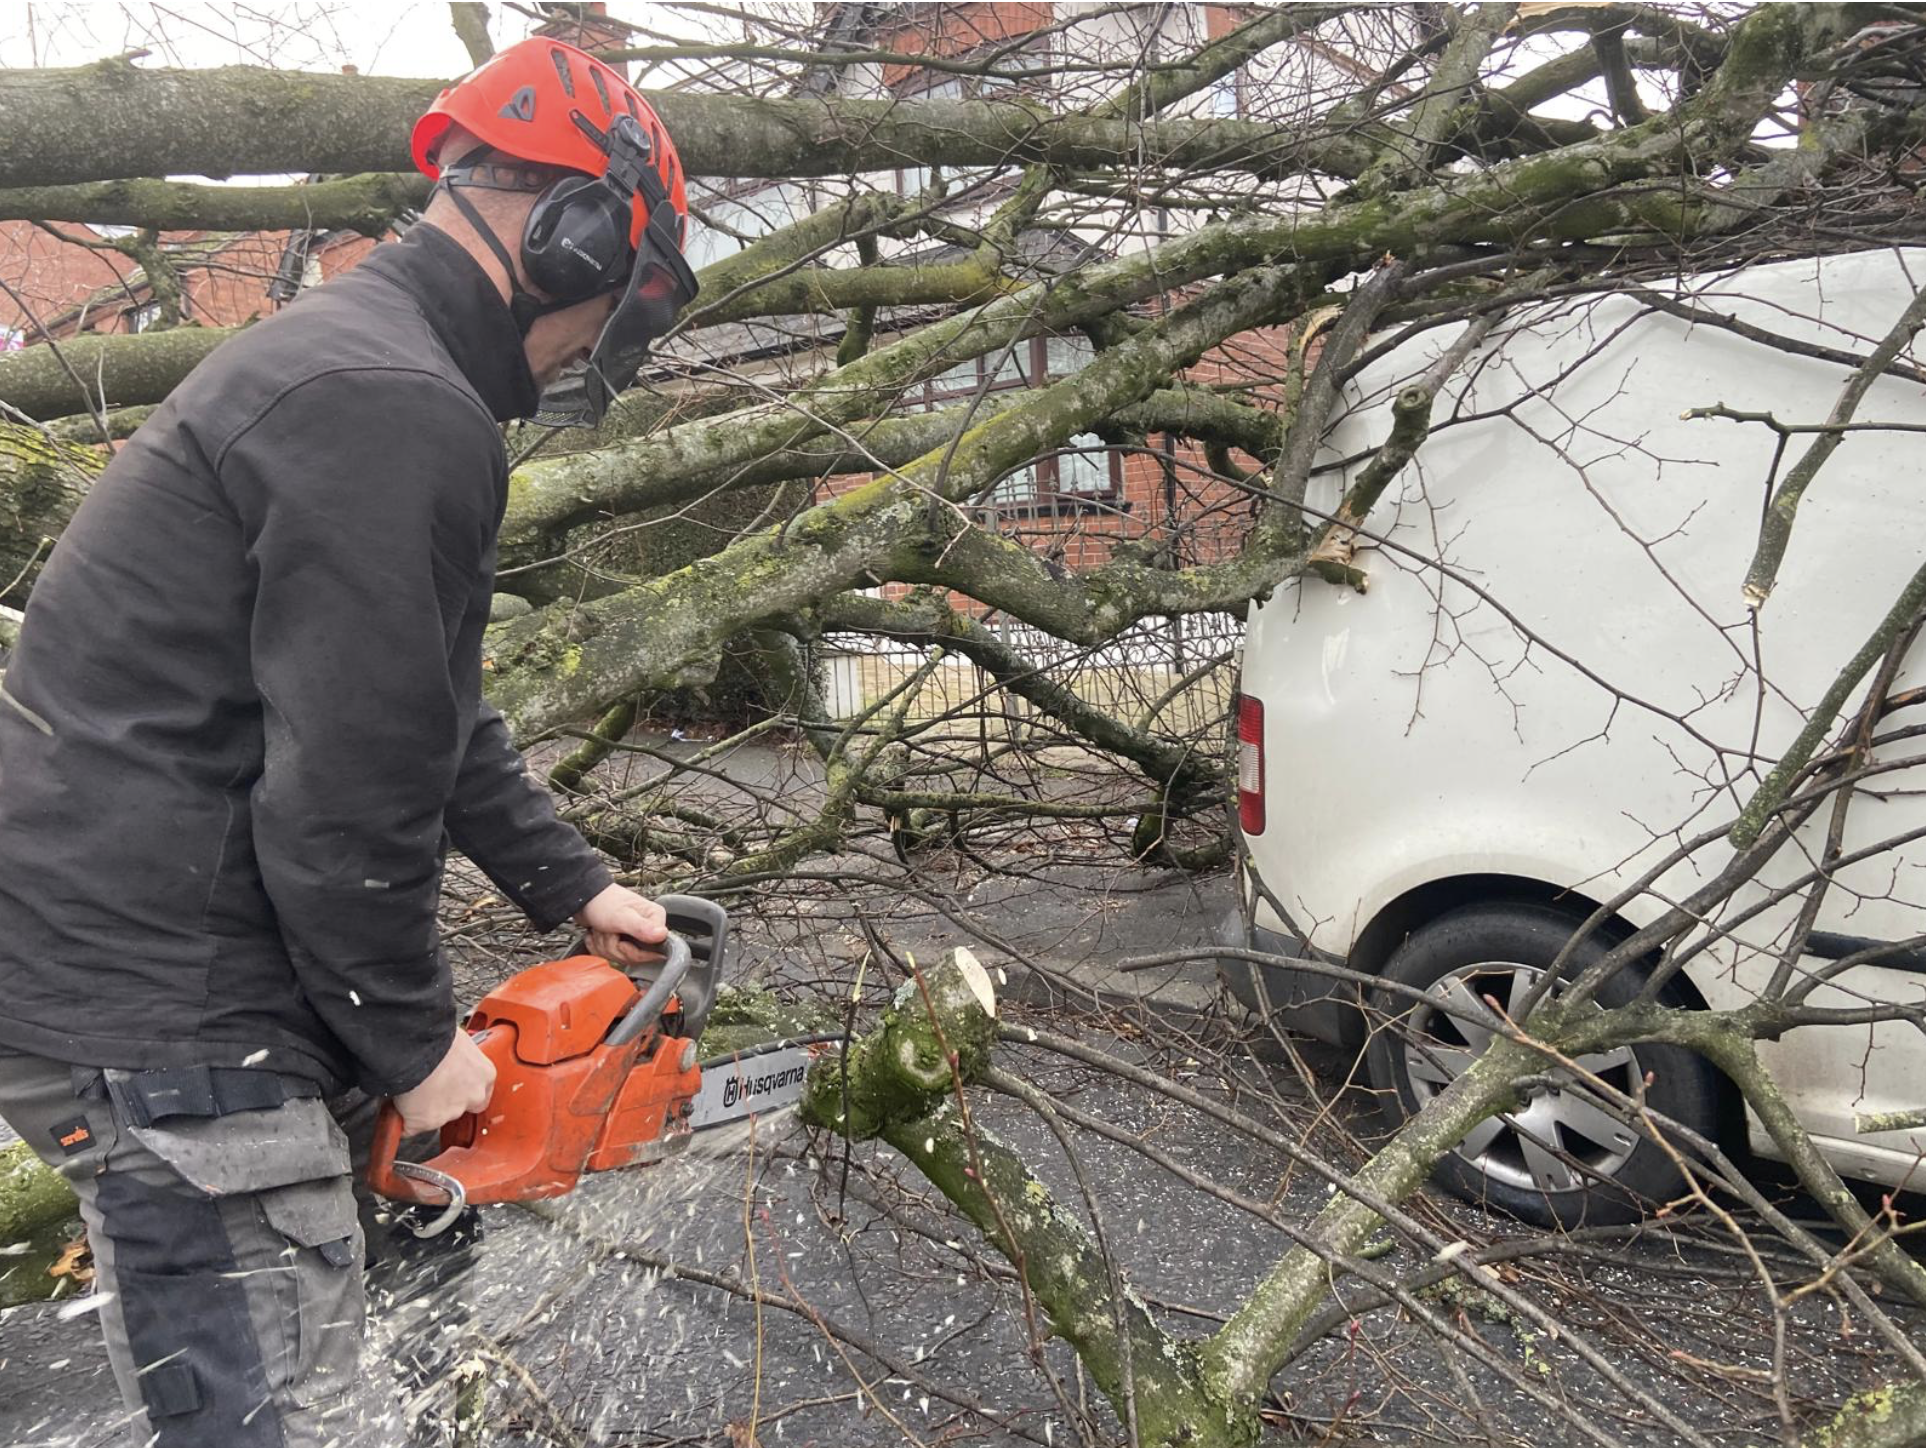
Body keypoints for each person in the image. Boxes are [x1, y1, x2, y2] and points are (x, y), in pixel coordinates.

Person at [0, 37, 698, 1447]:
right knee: (286, 1419)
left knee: (368, 1320)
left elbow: (415, 700)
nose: (586, 350)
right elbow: (344, 791)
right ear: (567, 239)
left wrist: (569, 883)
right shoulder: (388, 403)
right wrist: (411, 1037)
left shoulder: (363, 369)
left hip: (139, 952)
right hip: (168, 1000)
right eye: (612, 305)